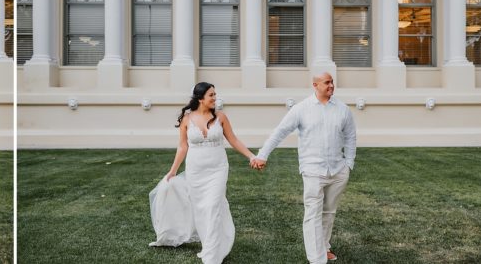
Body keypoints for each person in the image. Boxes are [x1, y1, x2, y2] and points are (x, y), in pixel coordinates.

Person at [149, 82, 263, 264]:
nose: (215, 98)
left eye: (215, 94)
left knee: (213, 206)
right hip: (196, 170)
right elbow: (182, 146)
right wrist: (173, 170)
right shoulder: (187, 119)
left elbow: (233, 140)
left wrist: (251, 156)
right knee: (201, 209)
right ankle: (209, 244)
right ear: (200, 98)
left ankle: (212, 255)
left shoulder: (221, 117)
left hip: (218, 169)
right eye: (211, 95)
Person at [251, 72, 357, 264]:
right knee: (312, 215)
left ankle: (324, 248)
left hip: (338, 170)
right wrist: (262, 155)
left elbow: (350, 137)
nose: (331, 85)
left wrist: (348, 164)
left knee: (329, 212)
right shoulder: (301, 109)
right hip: (312, 171)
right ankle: (317, 259)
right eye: (327, 82)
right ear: (315, 85)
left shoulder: (343, 109)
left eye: (332, 82)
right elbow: (280, 131)